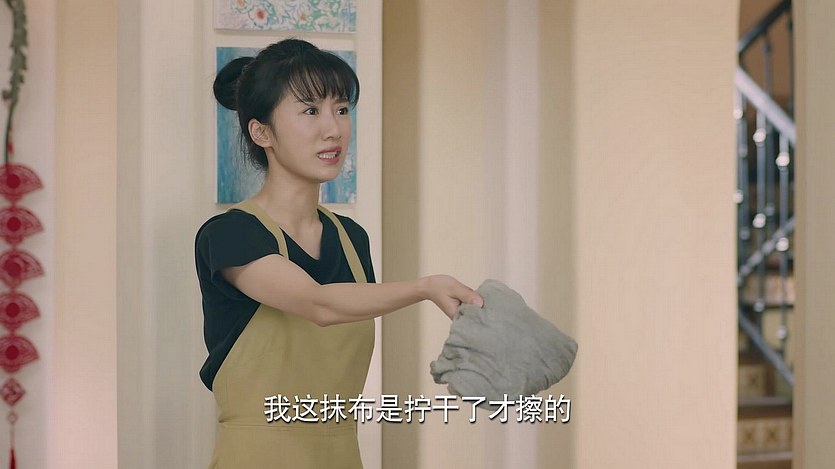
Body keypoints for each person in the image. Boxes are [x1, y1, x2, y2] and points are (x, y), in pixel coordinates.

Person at [195, 38, 483, 469]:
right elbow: (319, 304)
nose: (334, 129)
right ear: (262, 132)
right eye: (311, 111)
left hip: (342, 454)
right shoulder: (230, 235)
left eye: (342, 109)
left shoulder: (351, 238)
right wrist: (426, 288)